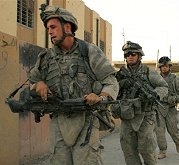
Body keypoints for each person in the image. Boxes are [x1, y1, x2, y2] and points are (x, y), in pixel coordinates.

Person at [28, 5, 119, 165]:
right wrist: (39, 84)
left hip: (87, 119)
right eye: (48, 28)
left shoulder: (89, 51)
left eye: (53, 27)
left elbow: (111, 82)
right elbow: (32, 82)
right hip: (59, 120)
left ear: (67, 27)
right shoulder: (46, 57)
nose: (49, 31)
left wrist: (100, 97)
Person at [113, 41, 168, 165]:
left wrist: (154, 94)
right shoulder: (120, 74)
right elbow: (111, 88)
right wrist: (121, 84)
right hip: (127, 117)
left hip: (145, 116)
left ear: (139, 55)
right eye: (127, 55)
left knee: (146, 149)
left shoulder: (148, 72)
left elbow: (163, 86)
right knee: (128, 150)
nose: (130, 57)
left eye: (133, 54)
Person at [154, 56, 179, 159]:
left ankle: (177, 142)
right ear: (159, 67)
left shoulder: (175, 79)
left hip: (170, 108)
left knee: (173, 130)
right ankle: (162, 151)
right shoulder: (156, 78)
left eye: (166, 66)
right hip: (158, 108)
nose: (164, 68)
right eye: (162, 66)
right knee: (159, 131)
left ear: (169, 67)